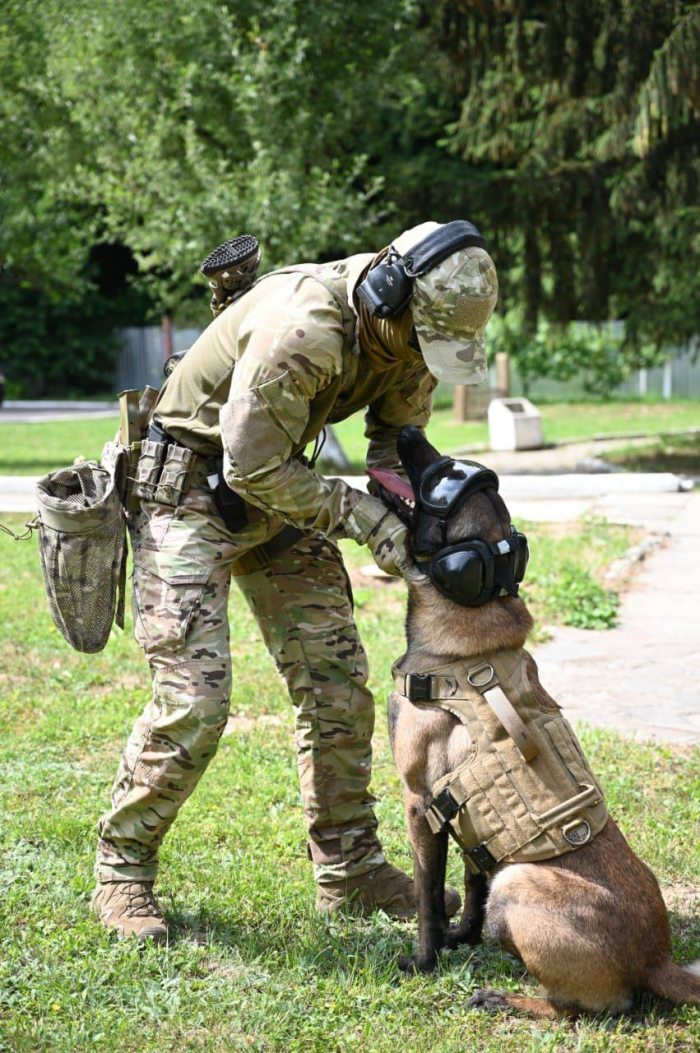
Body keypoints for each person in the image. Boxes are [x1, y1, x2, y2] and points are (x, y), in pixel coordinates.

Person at [91, 221, 499, 941]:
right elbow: (250, 466)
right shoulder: (304, 327)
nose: (417, 357)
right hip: (190, 493)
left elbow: (392, 447)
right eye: (415, 338)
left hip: (278, 495)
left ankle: (351, 870)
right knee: (195, 701)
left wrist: (421, 518)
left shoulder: (412, 331)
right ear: (387, 291)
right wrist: (367, 518)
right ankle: (122, 871)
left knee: (337, 681)